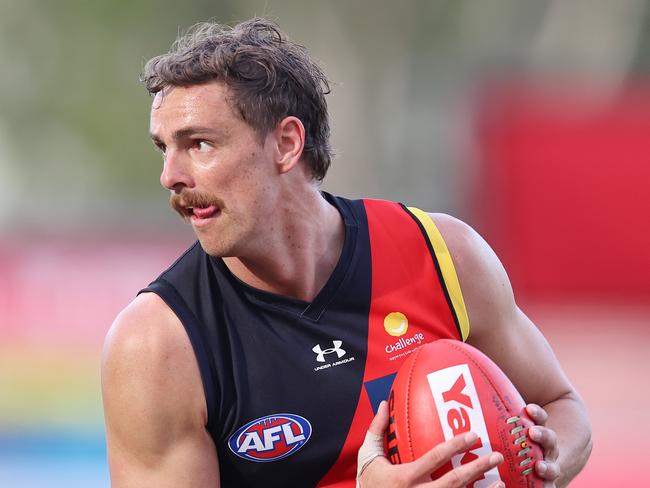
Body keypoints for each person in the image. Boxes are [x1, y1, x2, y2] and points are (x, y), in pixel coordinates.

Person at [101, 18, 592, 488]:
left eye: (200, 144)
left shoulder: (443, 254)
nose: (171, 176)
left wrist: (538, 465)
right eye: (164, 148)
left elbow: (561, 405)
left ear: (287, 144)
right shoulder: (157, 344)